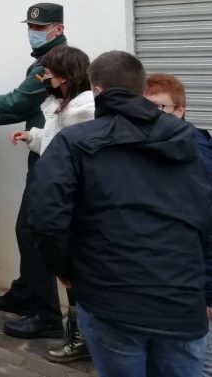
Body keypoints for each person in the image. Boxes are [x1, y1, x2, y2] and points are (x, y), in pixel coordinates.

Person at [30, 51, 212, 377]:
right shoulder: (195, 144)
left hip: (112, 301)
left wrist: (66, 269)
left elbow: (47, 217)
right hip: (182, 301)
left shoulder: (76, 141)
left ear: (97, 90)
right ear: (140, 88)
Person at [0, 2, 67, 339]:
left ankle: (47, 314)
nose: (34, 33)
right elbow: (25, 105)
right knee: (25, 227)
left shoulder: (53, 64)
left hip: (51, 155)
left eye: (42, 28)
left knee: (34, 230)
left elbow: (17, 101)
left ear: (59, 29)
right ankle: (26, 293)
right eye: (32, 27)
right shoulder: (43, 62)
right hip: (41, 149)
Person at [7, 45, 94, 364]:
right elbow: (55, 141)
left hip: (69, 198)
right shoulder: (66, 104)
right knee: (66, 268)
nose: (44, 77)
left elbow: (71, 156)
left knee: (71, 270)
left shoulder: (82, 110)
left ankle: (79, 337)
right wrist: (31, 138)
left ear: (64, 76)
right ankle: (76, 334)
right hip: (60, 192)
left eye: (49, 72)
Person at [142, 73, 212, 377]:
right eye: (144, 109)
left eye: (160, 108)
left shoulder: (198, 155)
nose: (151, 117)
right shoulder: (153, 147)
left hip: (191, 292)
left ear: (180, 110)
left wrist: (207, 293)